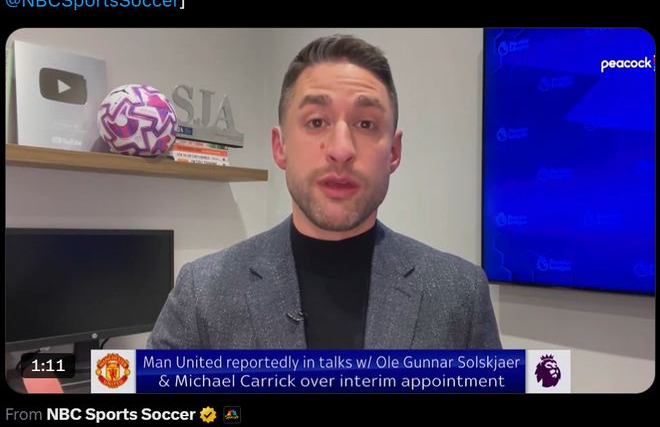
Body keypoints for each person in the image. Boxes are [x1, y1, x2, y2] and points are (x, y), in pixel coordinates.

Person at [148, 34, 502, 349]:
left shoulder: (460, 295)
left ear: (394, 152)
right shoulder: (202, 294)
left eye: (366, 123)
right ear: (280, 147)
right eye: (316, 122)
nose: (341, 149)